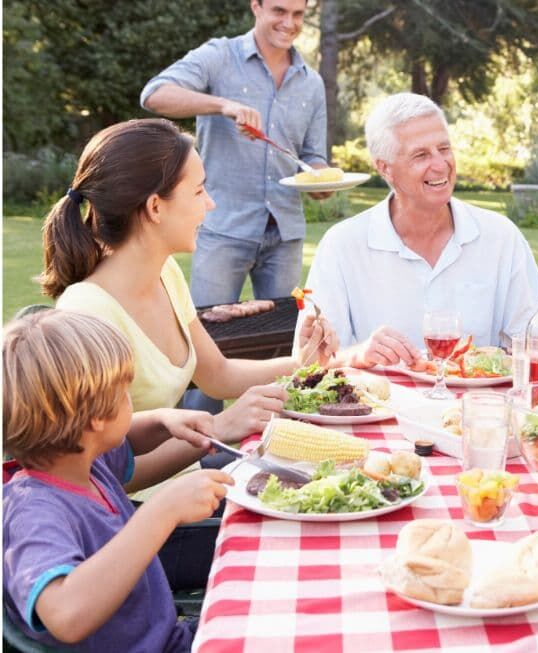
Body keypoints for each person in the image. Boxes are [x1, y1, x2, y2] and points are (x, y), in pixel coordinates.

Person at [40, 119, 336, 589]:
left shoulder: (165, 275)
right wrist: (218, 429)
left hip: (184, 487)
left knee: (321, 481)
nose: (210, 204)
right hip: (132, 527)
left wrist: (300, 364)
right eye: (199, 191)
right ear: (155, 207)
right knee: (299, 534)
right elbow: (101, 474)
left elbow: (217, 374)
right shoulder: (89, 314)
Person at [3, 309, 234, 650]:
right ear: (96, 418)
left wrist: (163, 420)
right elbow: (64, 615)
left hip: (172, 639)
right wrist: (161, 513)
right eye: (125, 392)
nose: (131, 403)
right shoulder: (32, 513)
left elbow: (129, 436)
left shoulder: (82, 463)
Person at [299, 92, 538, 368]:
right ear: (385, 168)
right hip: (378, 397)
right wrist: (359, 355)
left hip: (476, 396)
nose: (440, 165)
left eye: (444, 149)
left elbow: (534, 343)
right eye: (421, 155)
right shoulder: (341, 245)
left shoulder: (501, 237)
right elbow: (311, 362)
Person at [140, 0, 331, 307]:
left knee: (286, 329)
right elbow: (154, 95)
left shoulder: (312, 83)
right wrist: (223, 105)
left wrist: (321, 179)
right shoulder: (220, 56)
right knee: (210, 326)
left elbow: (313, 155)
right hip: (223, 229)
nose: (289, 23)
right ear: (256, 6)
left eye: (298, 14)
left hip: (286, 235)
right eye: (279, 11)